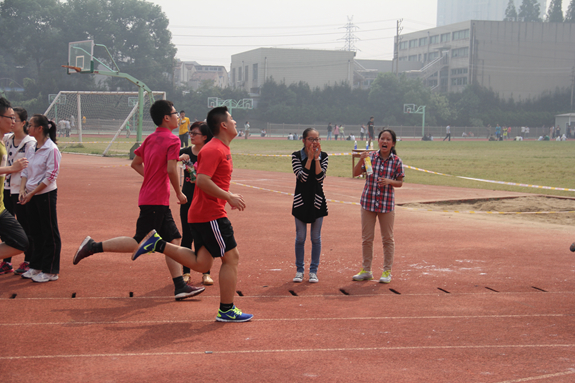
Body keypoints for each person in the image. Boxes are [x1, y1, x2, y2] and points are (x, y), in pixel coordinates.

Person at [130, 106, 253, 323]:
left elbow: (203, 179)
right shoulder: (215, 149)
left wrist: (226, 196)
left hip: (202, 213)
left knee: (202, 263)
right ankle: (226, 309)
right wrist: (229, 196)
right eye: (232, 119)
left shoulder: (219, 148)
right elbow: (203, 181)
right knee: (231, 258)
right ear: (223, 125)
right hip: (210, 213)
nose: (235, 122)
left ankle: (156, 244)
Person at [72, 100, 204, 299]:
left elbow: (136, 163)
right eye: (175, 113)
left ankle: (180, 286)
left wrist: (152, 179)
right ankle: (92, 246)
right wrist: (178, 192)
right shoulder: (173, 140)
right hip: (156, 199)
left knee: (173, 239)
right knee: (139, 242)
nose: (179, 116)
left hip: (151, 197)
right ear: (166, 118)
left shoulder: (150, 138)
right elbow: (170, 169)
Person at [352, 129, 404, 284]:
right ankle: (366, 270)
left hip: (386, 204)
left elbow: (400, 182)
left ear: (393, 143)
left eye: (388, 139)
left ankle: (387, 271)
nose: (385, 142)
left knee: (387, 239)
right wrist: (361, 160)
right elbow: (355, 173)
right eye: (382, 139)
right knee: (367, 238)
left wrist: (389, 181)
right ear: (378, 141)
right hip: (368, 202)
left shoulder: (396, 161)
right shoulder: (371, 158)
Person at [18, 114, 62, 283]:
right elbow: (25, 170)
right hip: (31, 195)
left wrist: (32, 192)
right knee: (35, 231)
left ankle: (51, 270)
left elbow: (51, 175)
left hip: (45, 195)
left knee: (49, 231)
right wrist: (23, 190)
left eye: (30, 125)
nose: (27, 128)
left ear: (39, 129)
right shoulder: (31, 147)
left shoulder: (52, 149)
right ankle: (36, 266)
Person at [0, 107, 36, 275]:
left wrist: (23, 187)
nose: (12, 122)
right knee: (14, 234)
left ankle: (28, 261)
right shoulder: (6, 139)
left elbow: (27, 168)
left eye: (15, 119)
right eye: (10, 118)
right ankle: (7, 262)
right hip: (6, 189)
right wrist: (10, 169)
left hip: (18, 190)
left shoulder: (29, 142)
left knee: (23, 228)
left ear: (23, 123)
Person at [291, 128, 328, 283]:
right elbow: (302, 177)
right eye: (311, 139)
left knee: (315, 238)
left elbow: (320, 178)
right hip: (301, 201)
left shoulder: (324, 156)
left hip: (317, 201)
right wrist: (309, 158)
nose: (314, 142)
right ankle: (300, 270)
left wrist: (317, 159)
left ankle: (313, 271)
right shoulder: (296, 156)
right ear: (304, 140)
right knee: (300, 237)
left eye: (317, 139)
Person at [179, 121, 214, 286]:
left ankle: (206, 273)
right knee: (187, 236)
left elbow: (203, 179)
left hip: (204, 201)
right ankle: (186, 273)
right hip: (187, 201)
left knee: (204, 238)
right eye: (190, 133)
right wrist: (178, 158)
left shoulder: (210, 153)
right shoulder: (185, 152)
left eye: (195, 133)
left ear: (205, 137)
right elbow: (167, 158)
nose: (191, 136)